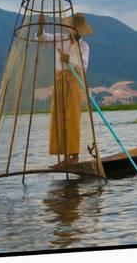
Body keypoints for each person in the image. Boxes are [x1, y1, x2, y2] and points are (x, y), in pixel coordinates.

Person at [37, 12, 93, 167]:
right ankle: (65, 157)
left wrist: (70, 59)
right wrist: (41, 27)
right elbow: (42, 38)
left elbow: (84, 66)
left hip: (74, 81)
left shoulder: (84, 46)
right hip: (59, 80)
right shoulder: (60, 37)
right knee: (59, 117)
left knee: (72, 117)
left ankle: (74, 157)